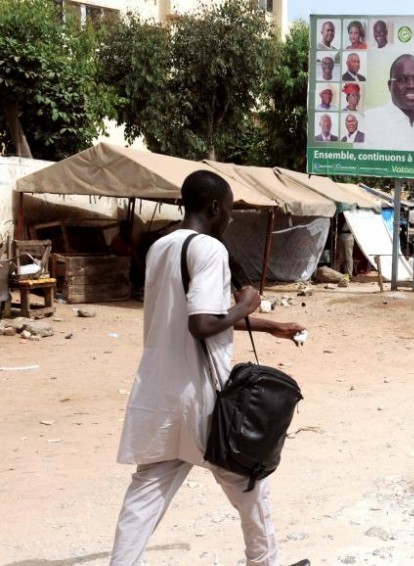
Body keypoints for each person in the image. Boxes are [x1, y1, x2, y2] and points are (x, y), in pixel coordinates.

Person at [111, 170, 308, 566]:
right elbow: (201, 324)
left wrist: (272, 327)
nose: (230, 220)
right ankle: (263, 562)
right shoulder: (210, 250)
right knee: (249, 482)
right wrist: (249, 305)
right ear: (215, 207)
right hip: (201, 397)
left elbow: (203, 314)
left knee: (146, 493)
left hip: (158, 395)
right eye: (230, 211)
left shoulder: (161, 247)